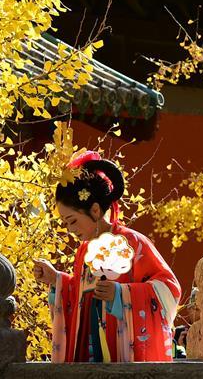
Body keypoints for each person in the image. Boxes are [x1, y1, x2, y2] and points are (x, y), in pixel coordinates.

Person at [32, 147, 181, 362]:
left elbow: (169, 288)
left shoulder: (133, 243)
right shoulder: (84, 251)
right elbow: (78, 295)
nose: (70, 230)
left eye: (72, 221)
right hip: (89, 348)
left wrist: (121, 294)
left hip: (123, 350)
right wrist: (56, 279)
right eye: (65, 223)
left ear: (94, 210)